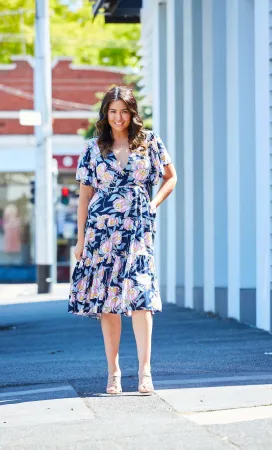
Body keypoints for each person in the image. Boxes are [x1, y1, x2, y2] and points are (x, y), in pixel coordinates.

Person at [68, 86, 177, 395]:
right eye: (112, 111)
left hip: (138, 230)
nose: (118, 117)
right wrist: (80, 240)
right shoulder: (92, 148)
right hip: (101, 234)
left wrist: (153, 205)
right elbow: (84, 197)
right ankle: (114, 372)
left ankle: (145, 371)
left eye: (124, 111)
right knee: (109, 303)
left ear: (132, 113)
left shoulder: (150, 142)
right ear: (106, 113)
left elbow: (171, 177)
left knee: (141, 298)